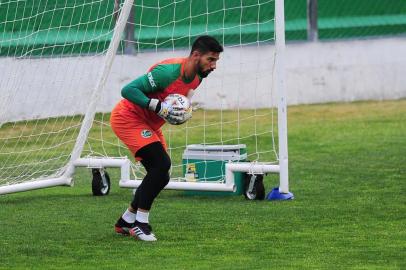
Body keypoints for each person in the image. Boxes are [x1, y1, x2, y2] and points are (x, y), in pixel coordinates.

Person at [110, 35, 223, 241]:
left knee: (162, 175)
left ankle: (126, 221)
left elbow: (177, 101)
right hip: (128, 118)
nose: (214, 66)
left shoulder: (197, 78)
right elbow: (128, 90)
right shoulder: (167, 72)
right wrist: (156, 106)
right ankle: (140, 224)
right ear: (196, 55)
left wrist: (182, 112)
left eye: (216, 61)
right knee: (161, 164)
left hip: (150, 124)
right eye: (211, 60)